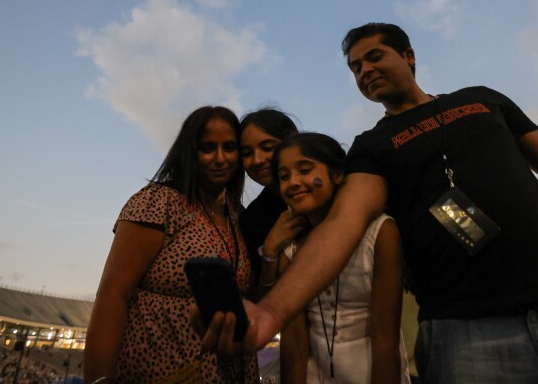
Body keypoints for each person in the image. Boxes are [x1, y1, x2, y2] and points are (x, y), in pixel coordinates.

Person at [201, 23, 538, 382]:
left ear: (408, 55)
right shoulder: (372, 146)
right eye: (355, 68)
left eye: (374, 57)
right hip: (463, 331)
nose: (364, 71)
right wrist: (270, 311)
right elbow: (344, 223)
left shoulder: (482, 100)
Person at [86, 106, 259, 384]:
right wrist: (98, 380)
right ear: (189, 152)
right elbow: (113, 294)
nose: (220, 158)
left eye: (229, 147)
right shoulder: (158, 202)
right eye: (207, 148)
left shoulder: (239, 215)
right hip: (160, 370)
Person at [273, 132, 410, 384]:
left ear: (337, 175)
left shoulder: (379, 232)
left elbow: (385, 339)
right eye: (284, 176)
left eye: (304, 170)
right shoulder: (290, 250)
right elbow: (294, 343)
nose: (293, 182)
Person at [238, 108, 310, 295]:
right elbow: (261, 300)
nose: (257, 160)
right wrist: (269, 250)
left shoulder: (326, 192)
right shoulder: (252, 219)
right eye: (247, 153)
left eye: (268, 147)